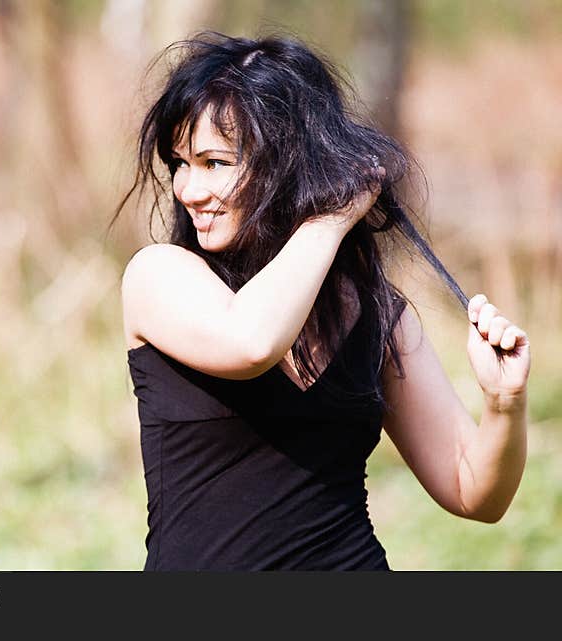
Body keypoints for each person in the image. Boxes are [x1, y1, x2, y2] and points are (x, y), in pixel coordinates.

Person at [115, 32, 531, 570]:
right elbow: (252, 341)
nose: (188, 189)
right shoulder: (160, 277)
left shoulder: (377, 314)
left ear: (287, 160)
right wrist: (334, 214)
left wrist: (504, 404)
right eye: (180, 163)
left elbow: (473, 491)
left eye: (214, 162)